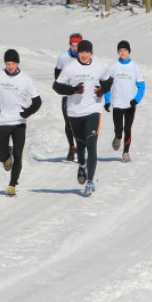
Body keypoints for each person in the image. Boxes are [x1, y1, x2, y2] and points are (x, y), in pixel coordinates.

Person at [52, 39, 112, 196]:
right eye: (81, 52)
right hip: (74, 112)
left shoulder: (99, 66)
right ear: (77, 52)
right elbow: (56, 86)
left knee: (91, 144)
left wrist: (102, 90)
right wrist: (72, 90)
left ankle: (90, 182)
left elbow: (108, 81)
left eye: (87, 52)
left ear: (91, 52)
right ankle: (82, 164)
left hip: (93, 110)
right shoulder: (70, 67)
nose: (84, 55)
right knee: (81, 145)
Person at [0, 49, 42, 196]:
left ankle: (12, 185)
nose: (10, 66)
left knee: (18, 154)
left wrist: (27, 112)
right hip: (1, 121)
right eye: (8, 63)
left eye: (13, 63)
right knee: (2, 157)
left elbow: (37, 101)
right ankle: (5, 155)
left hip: (18, 122)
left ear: (18, 63)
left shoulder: (26, 79)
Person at [105, 40, 145, 162]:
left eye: (125, 50)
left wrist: (136, 100)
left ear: (129, 51)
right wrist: (107, 101)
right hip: (117, 103)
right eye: (120, 50)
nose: (123, 52)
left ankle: (126, 153)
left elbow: (141, 86)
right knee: (119, 128)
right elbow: (107, 85)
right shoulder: (113, 67)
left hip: (130, 104)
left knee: (128, 129)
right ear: (118, 52)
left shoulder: (135, 67)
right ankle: (118, 137)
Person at [54, 32, 83, 161]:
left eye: (77, 45)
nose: (75, 48)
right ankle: (72, 147)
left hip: (82, 96)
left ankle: (81, 148)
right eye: (72, 45)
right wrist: (68, 88)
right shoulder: (63, 58)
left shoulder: (86, 56)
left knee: (81, 124)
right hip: (67, 95)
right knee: (69, 123)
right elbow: (57, 78)